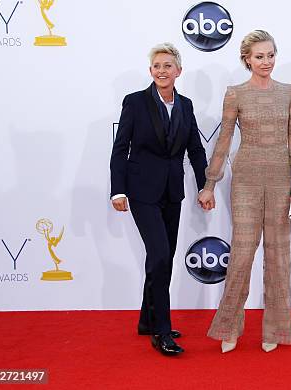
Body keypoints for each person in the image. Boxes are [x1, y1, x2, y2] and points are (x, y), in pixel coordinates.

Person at [198, 30, 291, 353]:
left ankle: (275, 329)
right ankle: (229, 328)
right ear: (247, 59)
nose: (266, 62)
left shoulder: (289, 92)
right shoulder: (235, 94)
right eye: (259, 57)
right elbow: (223, 143)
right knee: (242, 253)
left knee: (278, 255)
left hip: (280, 180)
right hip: (245, 179)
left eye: (271, 55)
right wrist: (209, 184)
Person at [110, 43, 208, 356]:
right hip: (141, 192)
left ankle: (147, 320)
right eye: (157, 66)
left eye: (168, 66)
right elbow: (120, 148)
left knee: (161, 257)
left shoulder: (186, 105)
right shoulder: (135, 102)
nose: (162, 71)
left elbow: (195, 149)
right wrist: (118, 189)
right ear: (150, 71)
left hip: (172, 192)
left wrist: (205, 186)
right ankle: (161, 332)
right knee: (161, 255)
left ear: (178, 71)